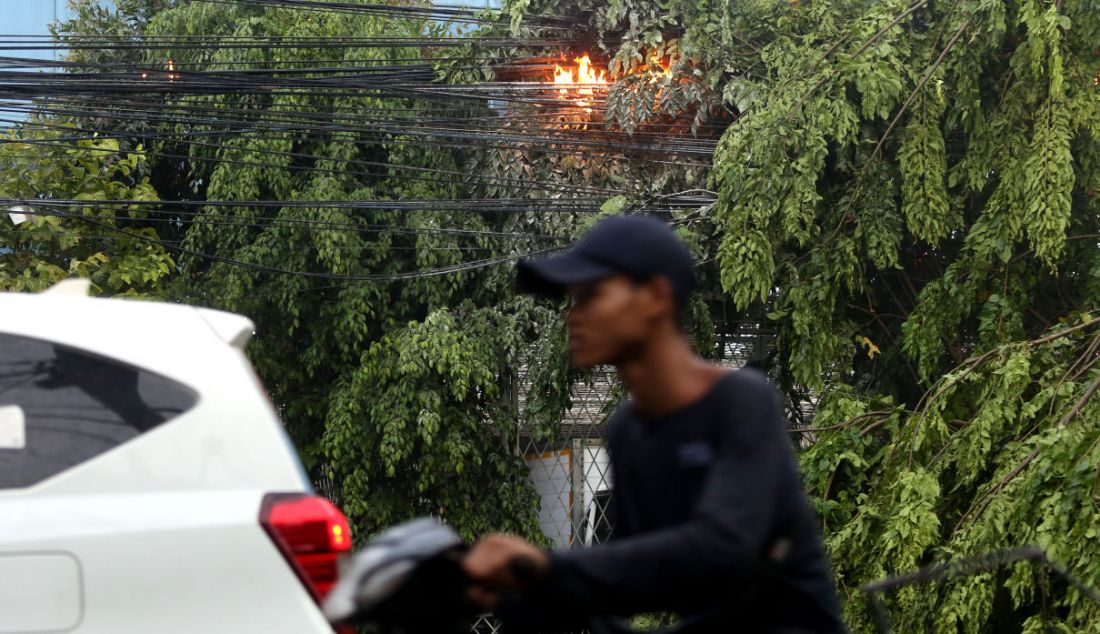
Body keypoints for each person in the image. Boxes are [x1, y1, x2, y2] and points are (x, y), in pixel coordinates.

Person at [461, 215, 846, 634]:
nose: (573, 316)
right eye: (572, 300)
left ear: (656, 297)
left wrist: (546, 567)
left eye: (590, 295)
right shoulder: (629, 430)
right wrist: (503, 589)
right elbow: (625, 584)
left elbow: (721, 551)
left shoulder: (741, 401)